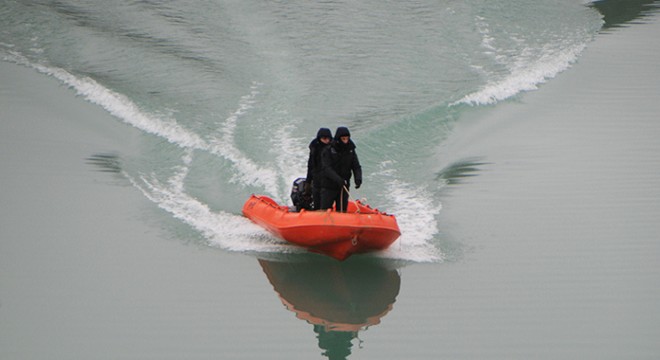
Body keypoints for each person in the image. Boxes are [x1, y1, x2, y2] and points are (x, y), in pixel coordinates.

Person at [320, 126, 362, 212]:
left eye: (347, 139)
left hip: (344, 187)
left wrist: (358, 178)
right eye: (343, 139)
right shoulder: (329, 150)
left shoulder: (351, 150)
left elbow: (356, 166)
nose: (346, 141)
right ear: (339, 139)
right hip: (329, 186)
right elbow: (327, 168)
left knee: (342, 211)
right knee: (325, 211)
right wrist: (338, 179)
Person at [305, 128, 333, 210]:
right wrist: (308, 182)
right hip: (316, 180)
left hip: (328, 183)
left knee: (326, 206)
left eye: (328, 139)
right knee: (317, 204)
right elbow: (310, 166)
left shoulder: (333, 149)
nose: (327, 141)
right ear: (319, 138)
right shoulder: (314, 148)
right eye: (324, 139)